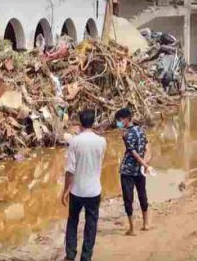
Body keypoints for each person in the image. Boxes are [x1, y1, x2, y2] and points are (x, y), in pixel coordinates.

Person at [62, 110, 107, 261]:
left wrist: (65, 191)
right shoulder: (101, 141)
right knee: (91, 224)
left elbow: (70, 170)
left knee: (73, 221)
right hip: (94, 190)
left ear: (80, 123)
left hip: (77, 190)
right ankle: (86, 256)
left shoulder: (75, 142)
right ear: (93, 122)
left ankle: (70, 254)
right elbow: (99, 161)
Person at [114, 108, 152, 236]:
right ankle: (146, 223)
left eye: (119, 120)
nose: (118, 123)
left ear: (125, 119)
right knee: (142, 194)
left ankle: (132, 229)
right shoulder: (141, 130)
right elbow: (147, 148)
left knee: (128, 198)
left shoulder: (126, 135)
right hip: (140, 170)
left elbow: (134, 154)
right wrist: (146, 165)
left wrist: (144, 164)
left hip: (128, 170)